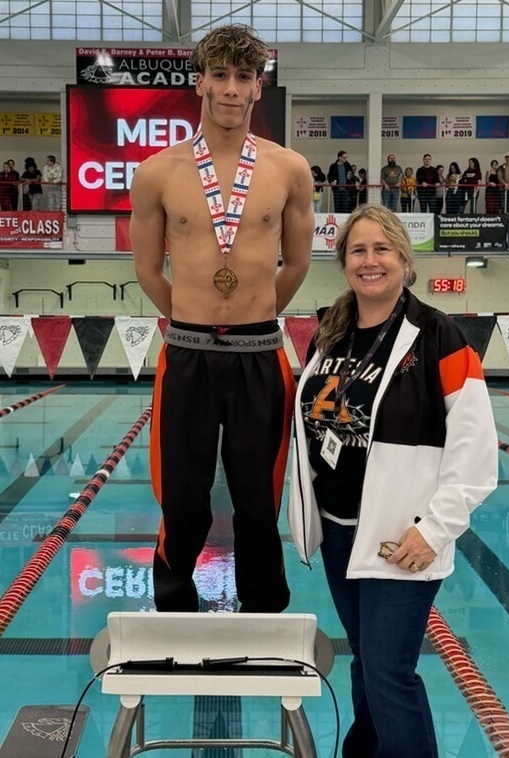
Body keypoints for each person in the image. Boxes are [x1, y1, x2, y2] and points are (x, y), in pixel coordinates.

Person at [288, 203, 498, 758]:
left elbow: (475, 450)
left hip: (399, 536)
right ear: (344, 262)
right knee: (367, 662)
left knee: (387, 672)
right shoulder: (329, 334)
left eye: (382, 249)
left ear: (404, 260)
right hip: (338, 532)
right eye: (358, 250)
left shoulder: (438, 335)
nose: (370, 260)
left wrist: (434, 530)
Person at [130, 24, 313, 614]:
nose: (232, 89)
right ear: (199, 81)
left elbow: (297, 265)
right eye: (221, 76)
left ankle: (264, 612)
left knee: (258, 498)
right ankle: (175, 611)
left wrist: (256, 316)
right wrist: (192, 319)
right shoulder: (158, 172)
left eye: (244, 77)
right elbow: (149, 271)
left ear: (259, 88)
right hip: (187, 353)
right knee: (182, 496)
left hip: (260, 354)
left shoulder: (290, 169)